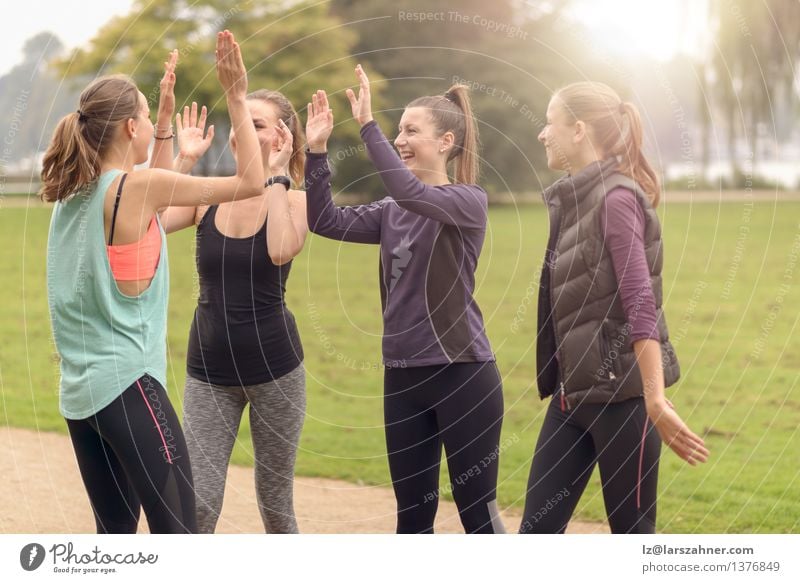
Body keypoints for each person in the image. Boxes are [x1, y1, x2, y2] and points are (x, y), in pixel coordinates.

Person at [42, 31, 264, 533]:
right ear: (128, 126)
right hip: (130, 387)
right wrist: (237, 96)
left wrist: (162, 122)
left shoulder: (74, 196)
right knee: (179, 537)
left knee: (115, 542)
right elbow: (251, 181)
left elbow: (149, 212)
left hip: (82, 398)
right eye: (143, 114)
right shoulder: (135, 189)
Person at [304, 65, 505, 534]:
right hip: (402, 378)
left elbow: (410, 190)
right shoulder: (391, 211)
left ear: (446, 142)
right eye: (397, 132)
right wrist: (316, 152)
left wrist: (368, 125)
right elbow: (325, 221)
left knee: (477, 515)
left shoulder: (467, 201)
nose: (400, 139)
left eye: (411, 131)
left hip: (463, 375)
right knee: (412, 519)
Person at [519, 82, 710, 534]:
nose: (543, 134)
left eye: (550, 123)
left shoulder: (617, 199)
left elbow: (640, 301)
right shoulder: (576, 199)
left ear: (579, 130)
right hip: (573, 398)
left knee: (633, 537)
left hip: (624, 404)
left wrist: (655, 399)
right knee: (535, 533)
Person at [159, 89, 308, 533]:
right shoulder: (209, 194)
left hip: (276, 371)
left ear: (282, 136)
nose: (241, 129)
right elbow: (148, 223)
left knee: (276, 506)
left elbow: (280, 249)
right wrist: (183, 161)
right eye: (239, 118)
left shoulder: (297, 201)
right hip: (208, 370)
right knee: (197, 504)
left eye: (256, 122)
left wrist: (278, 177)